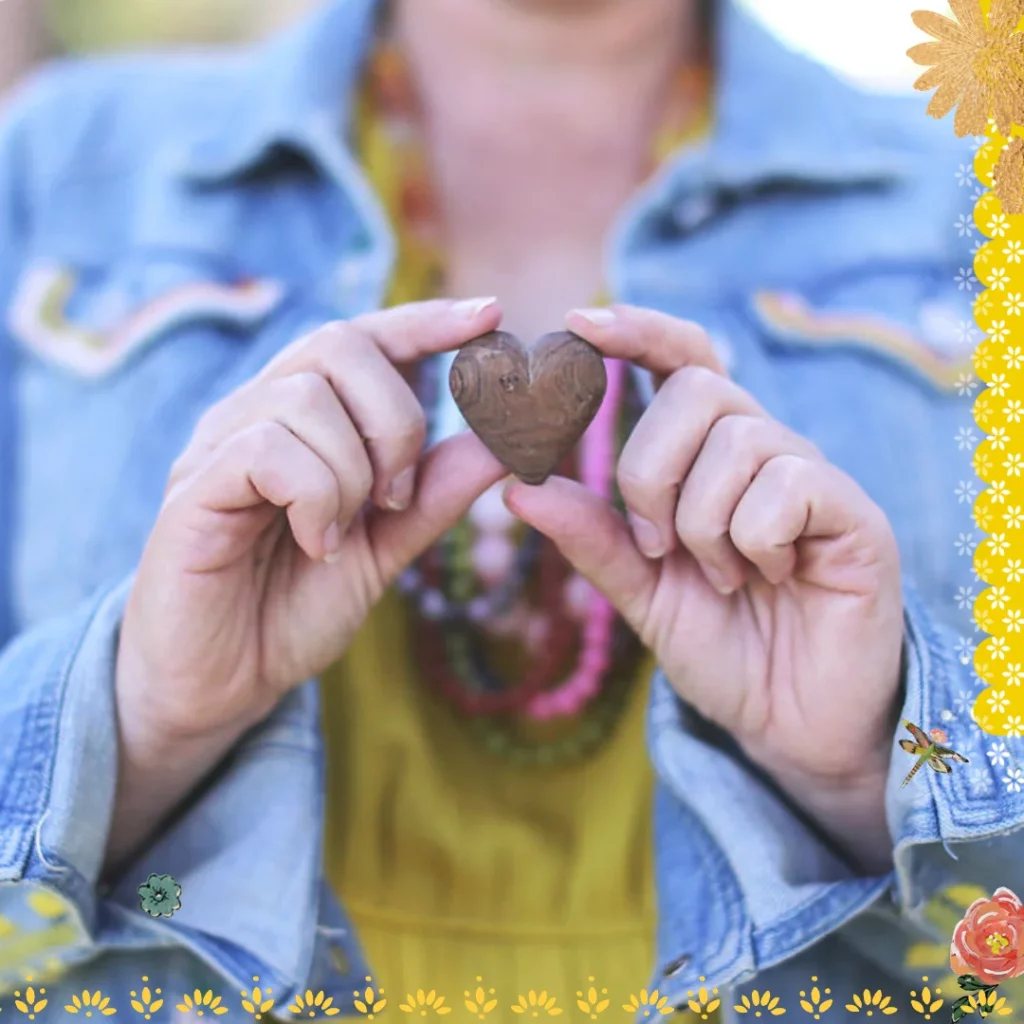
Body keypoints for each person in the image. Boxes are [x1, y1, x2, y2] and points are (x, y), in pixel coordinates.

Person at [0, 0, 1004, 1017]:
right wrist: (139, 729)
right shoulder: (61, 169)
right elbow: (28, 949)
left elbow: (984, 963)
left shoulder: (974, 195)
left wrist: (870, 775)